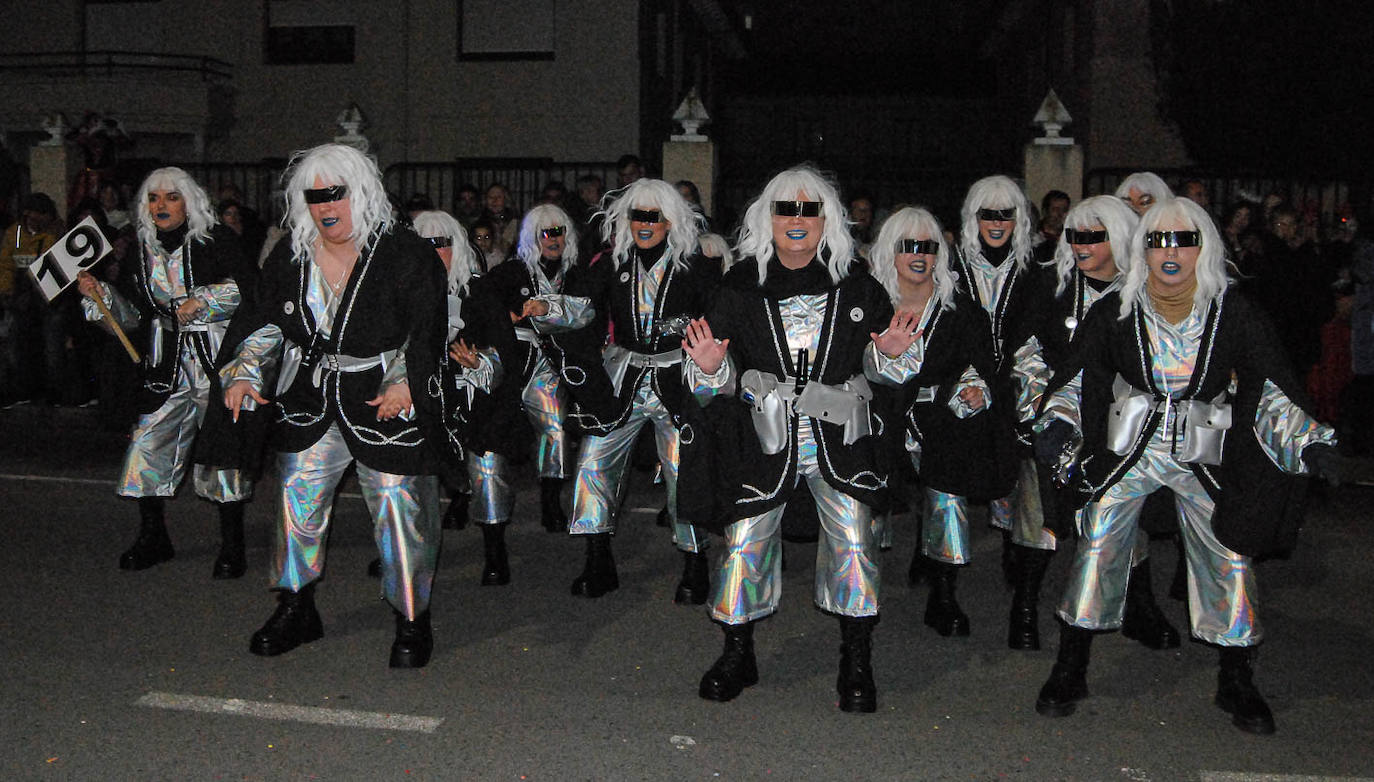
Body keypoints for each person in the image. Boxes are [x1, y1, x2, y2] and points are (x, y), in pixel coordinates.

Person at [1031, 196, 1341, 734]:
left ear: (1205, 247)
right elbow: (1078, 380)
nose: (1170, 252)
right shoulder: (1116, 311)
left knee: (1230, 546)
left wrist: (1309, 441)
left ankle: (1236, 676)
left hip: (1205, 450)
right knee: (1099, 536)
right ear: (1142, 250)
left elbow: (1269, 390)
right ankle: (1071, 663)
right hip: (1131, 447)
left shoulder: (1233, 311)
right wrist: (1059, 424)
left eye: (1183, 240)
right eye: (1157, 241)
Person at [220, 143, 447, 668]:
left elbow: (426, 329)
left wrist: (406, 385)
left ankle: (412, 617)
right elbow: (265, 321)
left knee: (398, 505)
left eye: (335, 194)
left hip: (383, 397)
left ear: (360, 192)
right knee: (295, 498)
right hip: (312, 399)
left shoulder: (403, 253)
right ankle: (296, 605)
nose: (326, 206)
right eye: (314, 196)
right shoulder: (290, 255)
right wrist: (245, 372)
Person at [682, 165, 894, 712]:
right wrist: (709, 368)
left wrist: (890, 355)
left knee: (853, 536)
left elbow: (885, 367)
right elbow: (717, 382)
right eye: (785, 209)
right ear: (766, 218)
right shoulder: (739, 285)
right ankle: (738, 650)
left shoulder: (858, 284)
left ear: (827, 220)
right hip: (764, 434)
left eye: (808, 210)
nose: (796, 220)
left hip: (838, 432)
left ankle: (857, 655)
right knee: (746, 537)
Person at [1004, 195, 1177, 651]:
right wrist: (1039, 409)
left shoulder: (1142, 292)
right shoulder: (1050, 284)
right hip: (1051, 419)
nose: (1080, 246)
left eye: (1092, 237)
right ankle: (1023, 610)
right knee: (1036, 516)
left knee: (1126, 516)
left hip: (1120, 424)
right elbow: (1025, 349)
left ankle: (1139, 606)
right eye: (1075, 236)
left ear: (1118, 238)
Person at [74, 167, 254, 577]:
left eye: (171, 197)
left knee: (222, 452)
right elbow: (134, 316)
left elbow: (249, 289)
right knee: (148, 444)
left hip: (215, 360)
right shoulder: (142, 247)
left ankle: (232, 544)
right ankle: (153, 536)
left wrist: (204, 301)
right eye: (154, 198)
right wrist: (101, 296)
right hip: (165, 362)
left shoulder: (217, 240)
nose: (161, 206)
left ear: (188, 201)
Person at [556, 178, 719, 600]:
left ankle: (695, 561)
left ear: (671, 221)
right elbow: (581, 307)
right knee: (592, 462)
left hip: (676, 381)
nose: (645, 224)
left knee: (684, 469)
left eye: (654, 216)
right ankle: (597, 557)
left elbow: (719, 318)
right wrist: (548, 308)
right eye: (637, 216)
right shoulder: (610, 263)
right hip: (623, 380)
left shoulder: (695, 266)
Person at [865, 206, 1003, 639]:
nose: (919, 256)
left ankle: (944, 592)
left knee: (947, 499)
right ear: (891, 252)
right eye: (908, 247)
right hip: (879, 416)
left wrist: (977, 387)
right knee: (864, 501)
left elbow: (983, 362)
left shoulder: (960, 310)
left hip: (942, 417)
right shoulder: (866, 303)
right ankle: (859, 590)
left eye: (928, 247)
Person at [412, 209, 522, 585]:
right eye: (423, 244)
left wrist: (480, 363)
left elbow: (506, 348)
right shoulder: (400, 291)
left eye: (439, 244)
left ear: (454, 246)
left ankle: (495, 550)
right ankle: (404, 553)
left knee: (487, 471)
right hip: (421, 398)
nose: (432, 251)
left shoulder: (479, 291)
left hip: (475, 398)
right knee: (406, 476)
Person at [483, 204, 594, 533]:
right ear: (533, 237)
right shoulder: (509, 272)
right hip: (512, 357)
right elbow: (485, 307)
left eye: (559, 231)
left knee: (556, 428)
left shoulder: (575, 274)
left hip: (552, 362)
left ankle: (550, 501)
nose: (553, 239)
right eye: (546, 233)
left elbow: (588, 314)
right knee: (490, 431)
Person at [949, 175, 1033, 600]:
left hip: (1015, 382)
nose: (997, 223)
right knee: (949, 469)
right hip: (959, 377)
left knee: (1013, 468)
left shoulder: (1034, 266)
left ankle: (1011, 550)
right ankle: (940, 569)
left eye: (1006, 214)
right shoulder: (952, 264)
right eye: (988, 214)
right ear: (973, 217)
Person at [0, 193, 59, 407]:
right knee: (17, 344)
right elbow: (5, 265)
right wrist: (7, 293)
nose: (35, 218)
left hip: (45, 298)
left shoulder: (52, 234)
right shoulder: (13, 233)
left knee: (49, 344)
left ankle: (50, 389)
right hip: (18, 297)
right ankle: (22, 388)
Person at [480, 183, 520, 259]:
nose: (494, 200)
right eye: (491, 197)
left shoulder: (515, 222)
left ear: (506, 200)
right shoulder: (480, 221)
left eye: (499, 197)